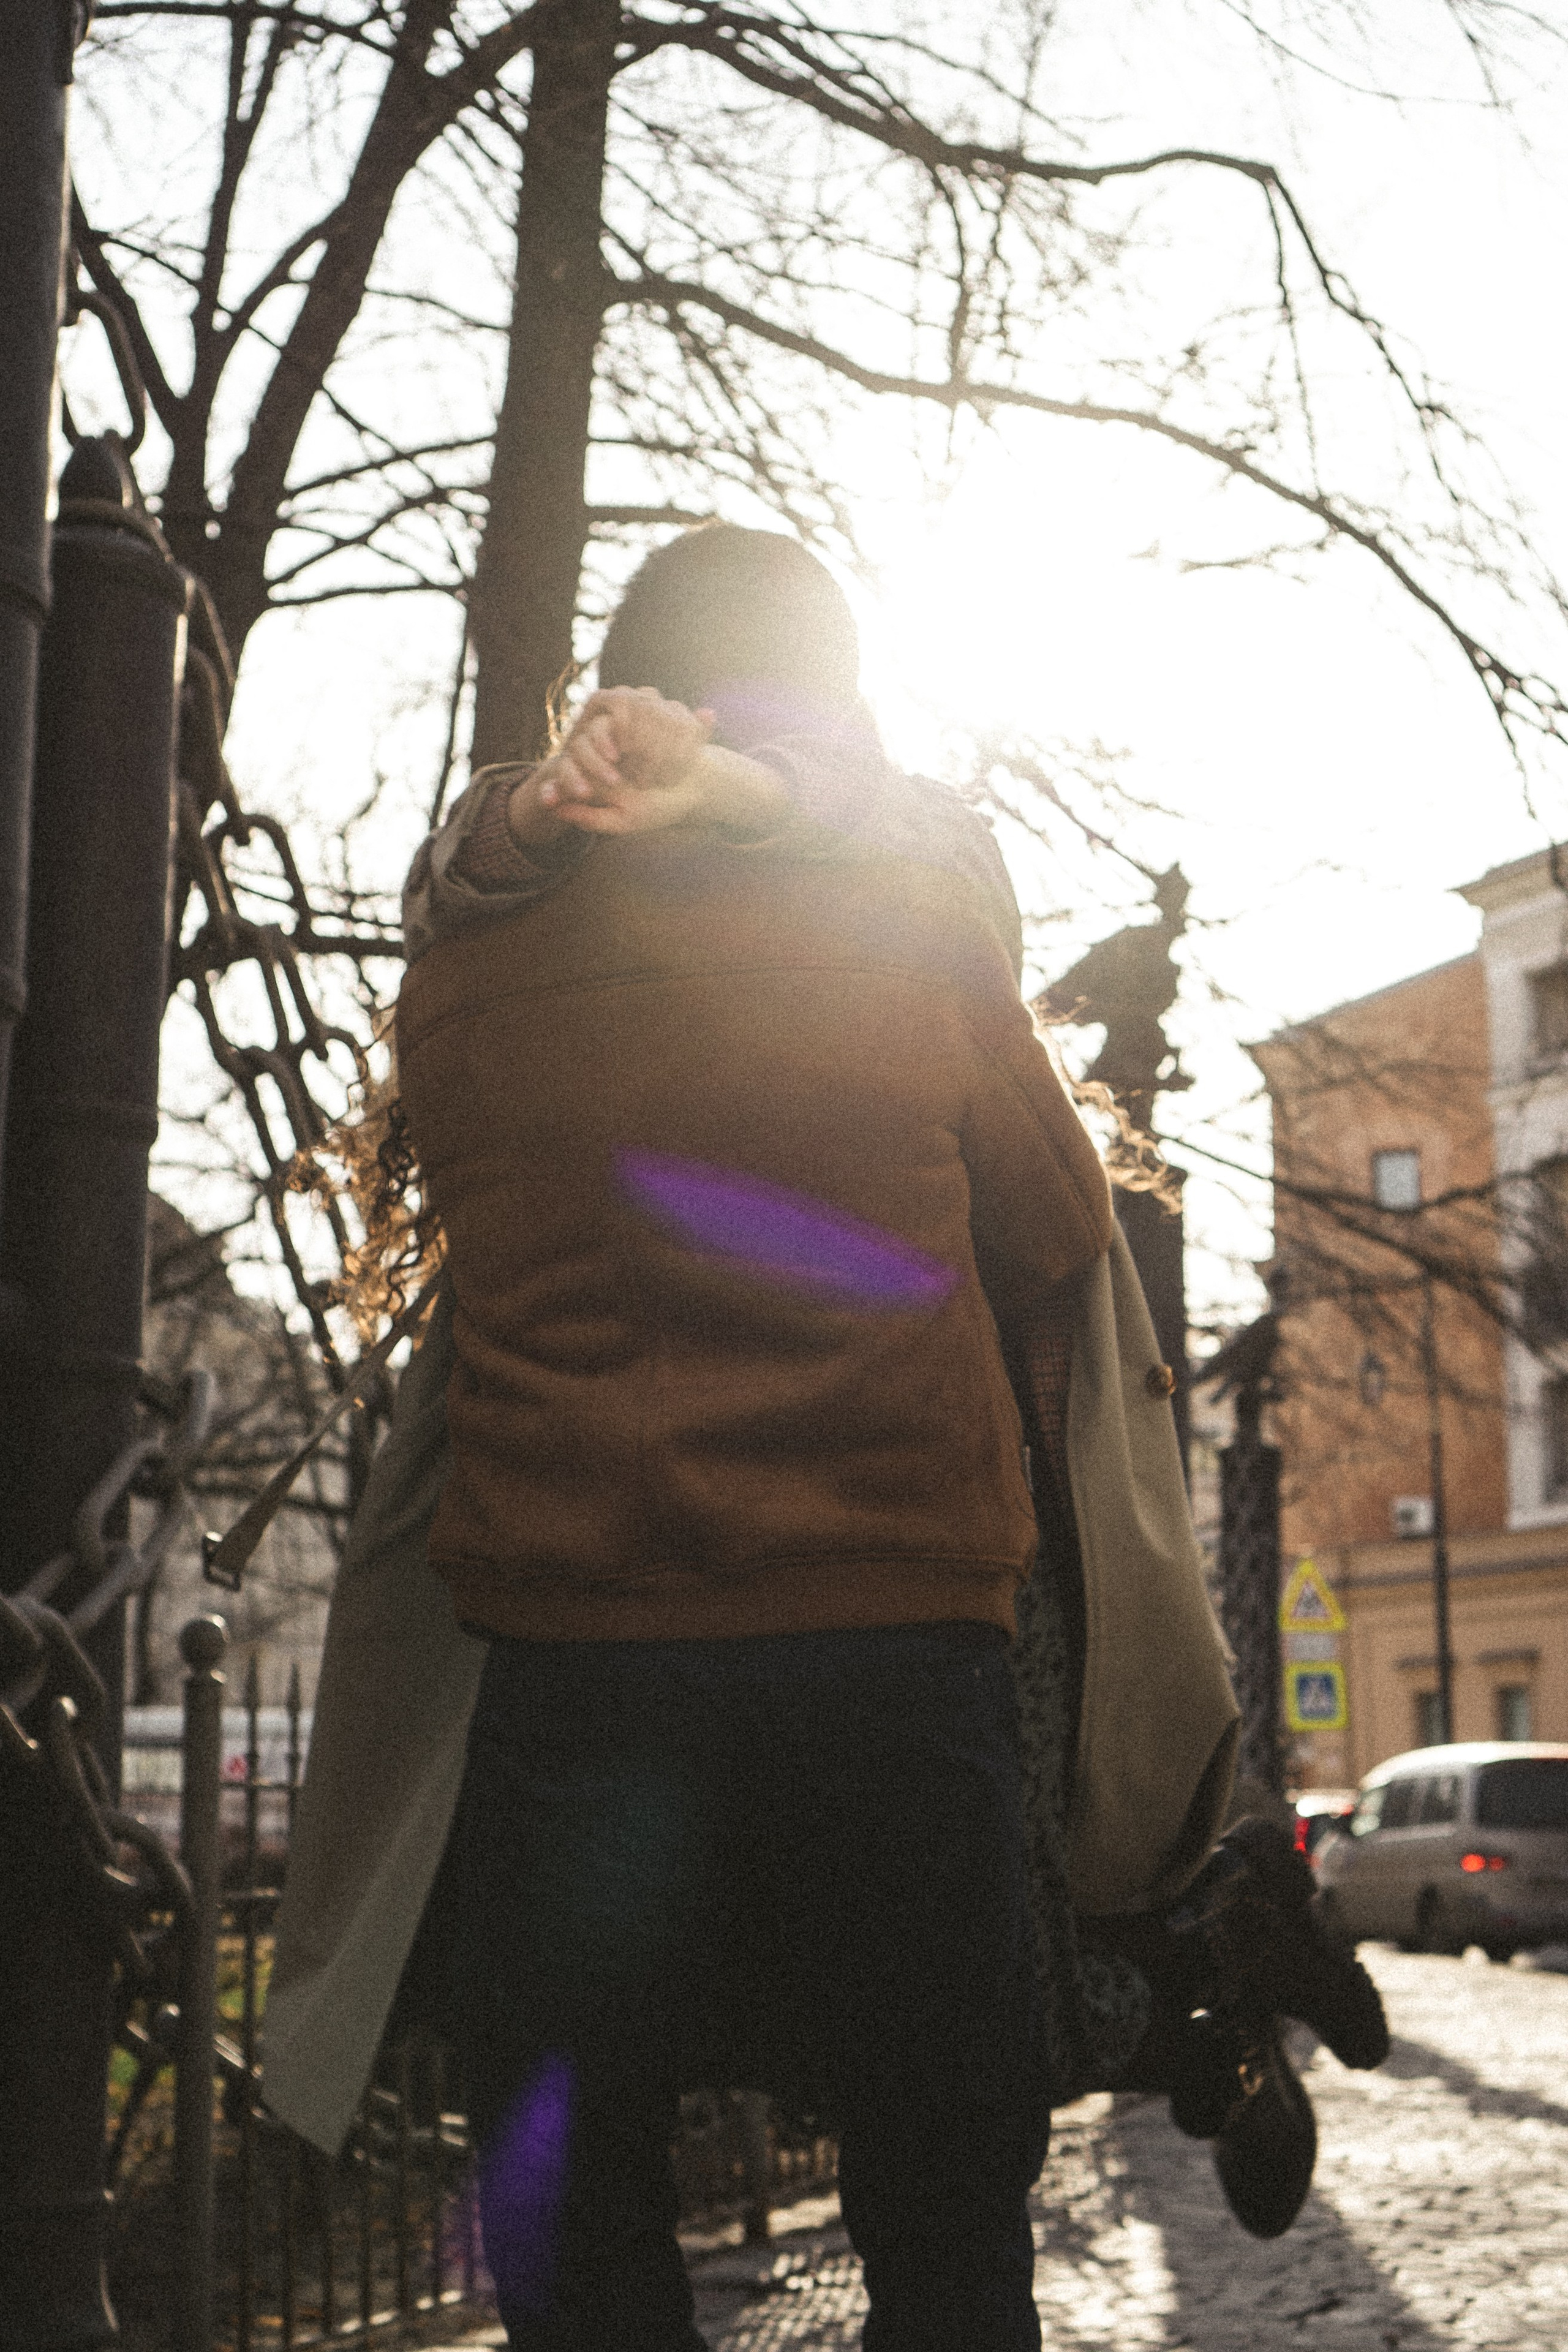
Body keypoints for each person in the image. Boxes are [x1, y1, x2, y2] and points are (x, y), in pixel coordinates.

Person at [263, 527, 1381, 2350]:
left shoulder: (476, 962)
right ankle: (1199, 1946)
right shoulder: (906, 929)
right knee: (941, 2183)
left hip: (575, 1664)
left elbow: (453, 1204)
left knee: (578, 2174)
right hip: (888, 1648)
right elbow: (1048, 1222)